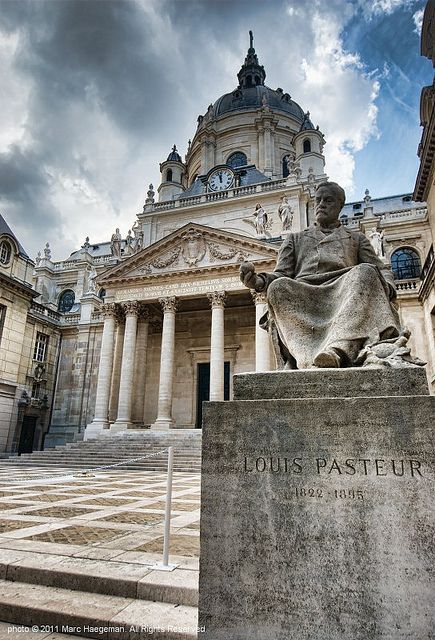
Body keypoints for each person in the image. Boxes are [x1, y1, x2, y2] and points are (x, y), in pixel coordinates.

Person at [240, 181, 401, 369]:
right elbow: (281, 274)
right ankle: (307, 358)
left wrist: (387, 287)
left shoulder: (357, 239)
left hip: (344, 292)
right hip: (304, 294)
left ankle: (337, 350)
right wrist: (258, 281)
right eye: (318, 200)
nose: (321, 204)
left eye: (328, 200)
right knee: (277, 287)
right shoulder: (295, 239)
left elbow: (381, 268)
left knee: (366, 271)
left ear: (340, 205)